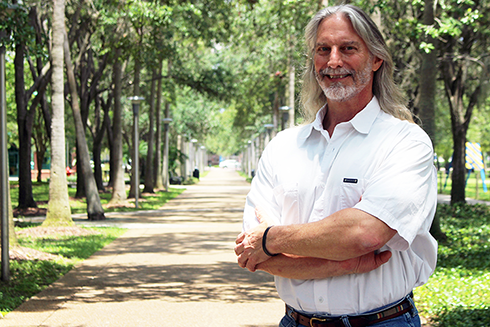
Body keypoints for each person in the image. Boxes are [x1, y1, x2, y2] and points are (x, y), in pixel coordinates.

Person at [234, 4, 438, 327]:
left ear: (376, 58)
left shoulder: (405, 143)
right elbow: (253, 255)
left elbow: (363, 234)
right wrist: (344, 263)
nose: (333, 61)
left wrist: (271, 238)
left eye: (348, 48)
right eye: (323, 49)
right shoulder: (283, 147)